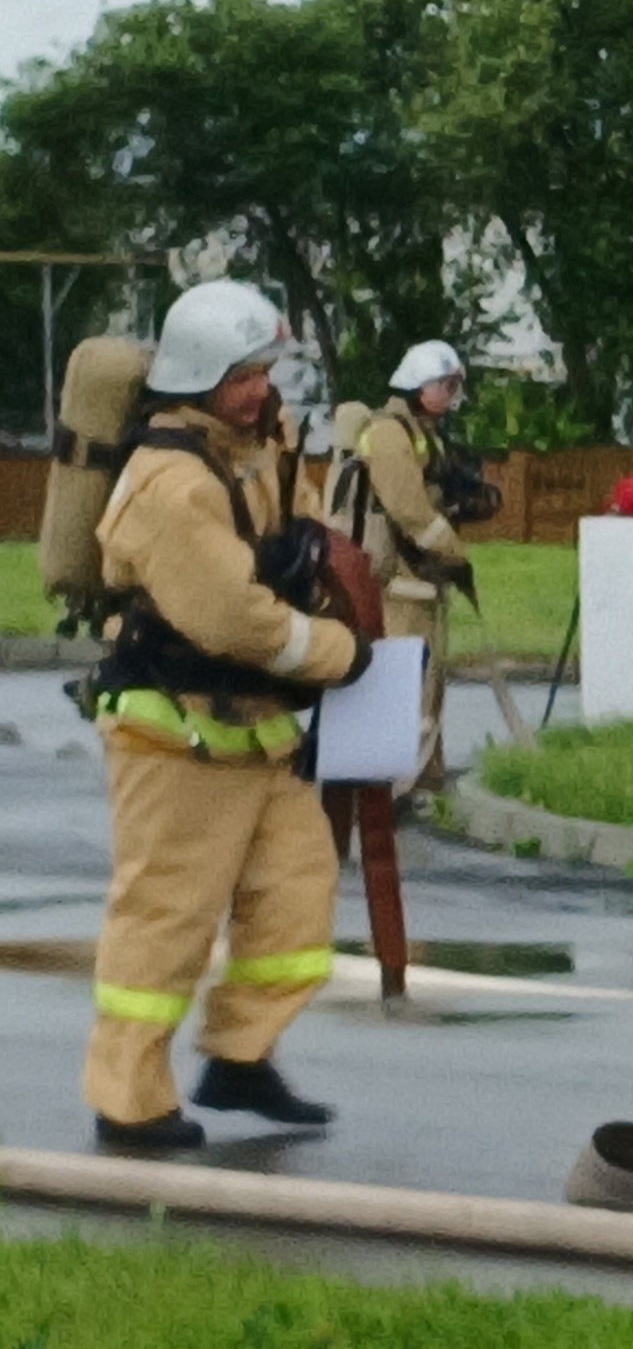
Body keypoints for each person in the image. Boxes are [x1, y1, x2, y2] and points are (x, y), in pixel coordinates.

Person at [84, 281, 367, 1149]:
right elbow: (229, 618)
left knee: (295, 910)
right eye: (245, 375)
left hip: (253, 730)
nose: (261, 389)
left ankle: (240, 1059)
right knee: (164, 920)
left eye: (264, 371)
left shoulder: (251, 448)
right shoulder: (169, 481)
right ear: (199, 375)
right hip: (173, 731)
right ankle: (128, 1100)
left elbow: (299, 527)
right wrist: (337, 654)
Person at [346, 340, 483, 793]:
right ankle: (395, 782)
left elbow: (430, 497)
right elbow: (409, 511)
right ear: (420, 384)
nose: (452, 394)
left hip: (420, 575)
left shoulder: (420, 432)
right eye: (447, 384)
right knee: (406, 679)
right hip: (398, 580)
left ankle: (424, 774)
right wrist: (454, 553)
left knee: (429, 680)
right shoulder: (388, 434)